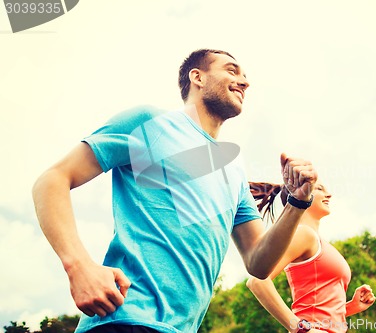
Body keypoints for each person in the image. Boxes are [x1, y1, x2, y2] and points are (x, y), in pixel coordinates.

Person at [32, 49, 318, 333]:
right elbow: (53, 179)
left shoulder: (233, 170)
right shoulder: (149, 122)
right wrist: (79, 267)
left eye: (245, 76)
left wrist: (297, 202)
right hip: (126, 320)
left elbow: (259, 263)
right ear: (198, 77)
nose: (244, 82)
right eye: (232, 70)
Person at [247, 182, 376, 333]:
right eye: (320, 189)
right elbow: (257, 281)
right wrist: (300, 328)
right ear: (300, 195)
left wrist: (351, 307)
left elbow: (316, 309)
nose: (329, 194)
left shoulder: (319, 241)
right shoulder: (304, 234)